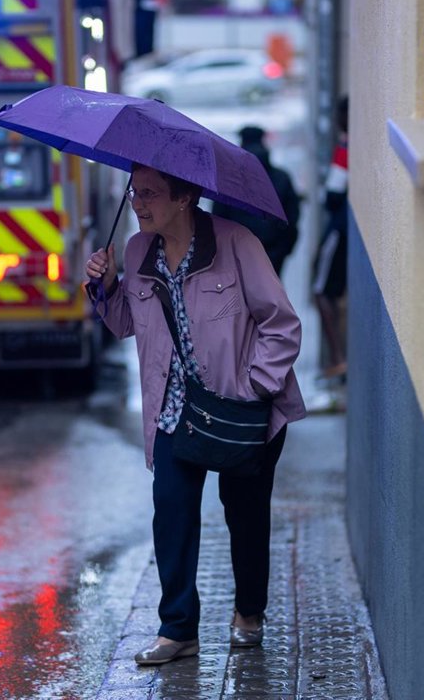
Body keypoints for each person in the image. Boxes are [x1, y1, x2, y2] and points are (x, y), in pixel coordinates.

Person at [84, 164, 306, 665]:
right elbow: (125, 324)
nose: (138, 204)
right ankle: (178, 628)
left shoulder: (237, 243)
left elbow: (282, 324)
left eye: (150, 194)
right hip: (174, 409)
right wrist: (107, 286)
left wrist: (255, 386)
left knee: (245, 515)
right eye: (134, 192)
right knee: (172, 512)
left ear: (184, 197)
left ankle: (249, 611)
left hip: (240, 409)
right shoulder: (138, 251)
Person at [211, 125, 301, 275]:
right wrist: (284, 249)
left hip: (237, 252)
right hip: (273, 252)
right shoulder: (281, 178)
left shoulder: (228, 180)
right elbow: (292, 216)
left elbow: (218, 218)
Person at [312, 95, 349, 378]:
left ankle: (338, 357)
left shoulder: (345, 148)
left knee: (321, 290)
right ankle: (339, 358)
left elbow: (333, 196)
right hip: (347, 226)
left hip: (339, 227)